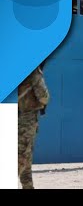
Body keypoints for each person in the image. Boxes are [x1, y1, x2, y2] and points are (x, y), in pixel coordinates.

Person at [18, 60, 50, 189]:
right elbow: (43, 96)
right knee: (22, 157)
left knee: (22, 157)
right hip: (25, 118)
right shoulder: (31, 68)